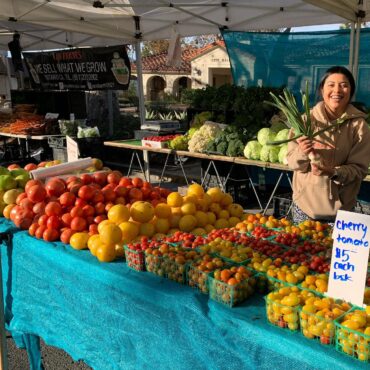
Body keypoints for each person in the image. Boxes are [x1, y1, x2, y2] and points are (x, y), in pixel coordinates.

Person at [287, 66, 370, 224]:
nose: (337, 90)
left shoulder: (359, 127)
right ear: (321, 89)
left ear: (351, 91)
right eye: (331, 85)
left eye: (344, 85)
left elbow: (359, 169)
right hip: (304, 208)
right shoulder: (305, 121)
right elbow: (292, 163)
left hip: (341, 212)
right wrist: (302, 152)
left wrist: (333, 172)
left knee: (331, 250)